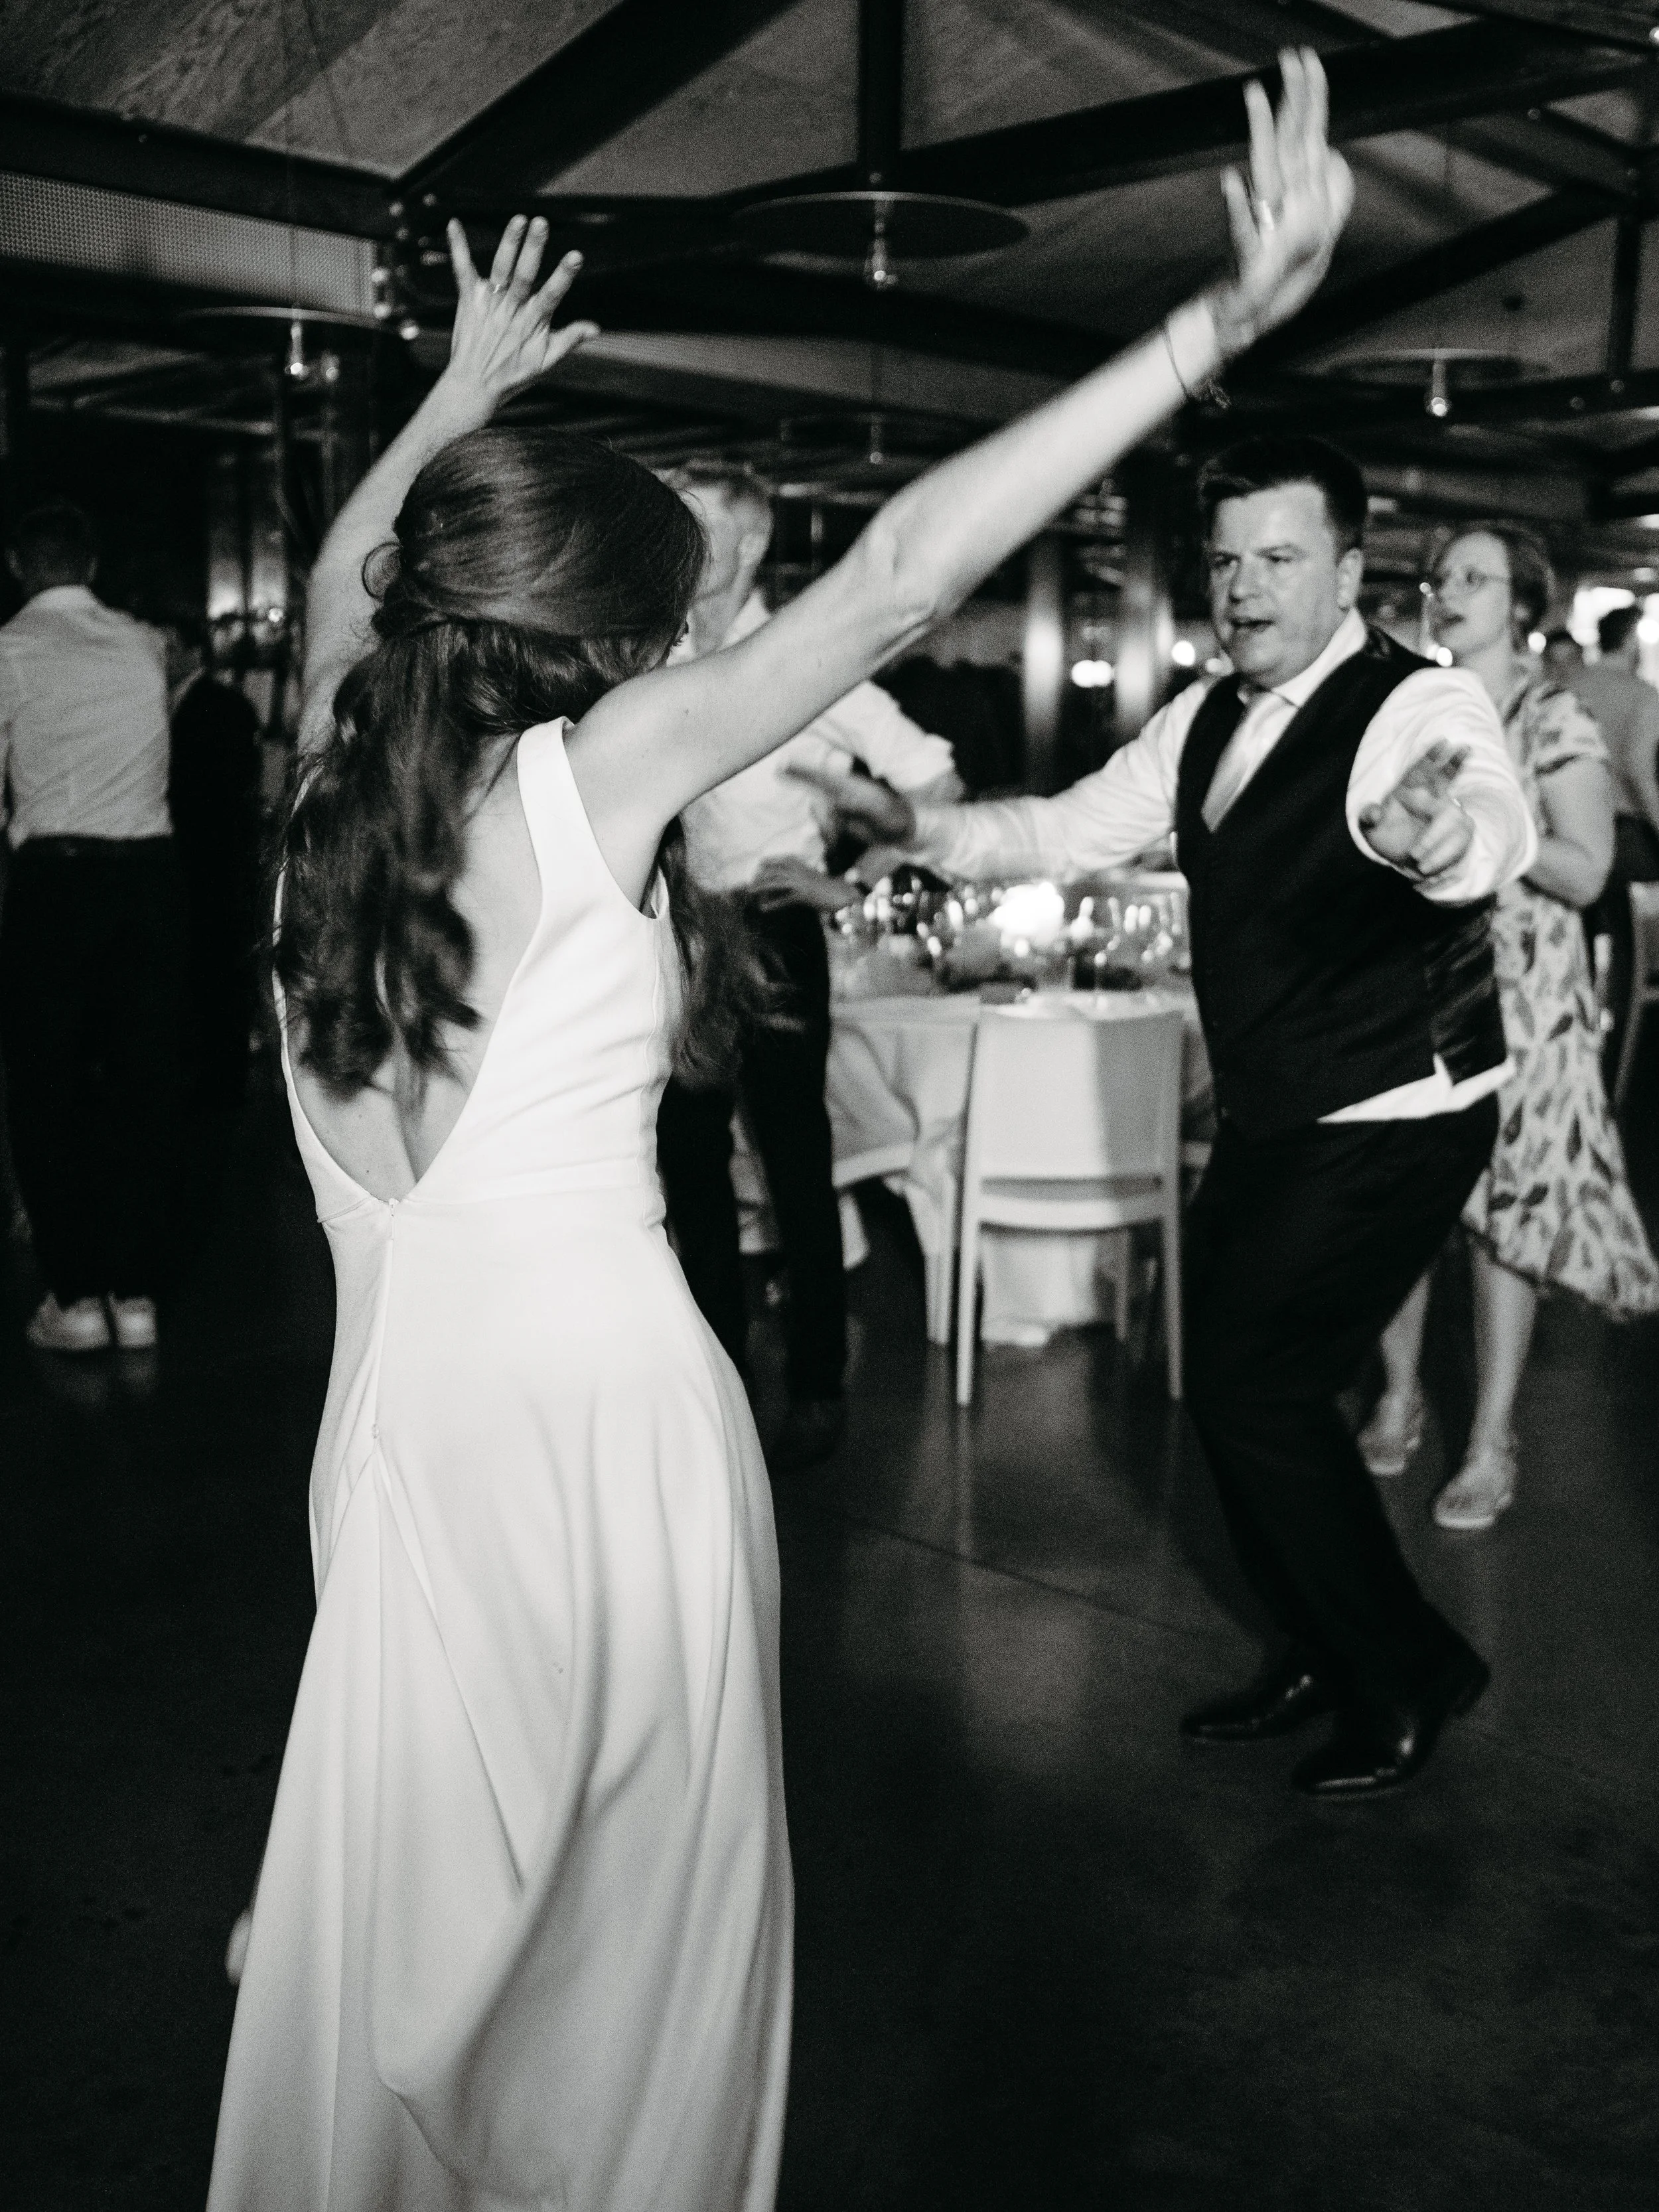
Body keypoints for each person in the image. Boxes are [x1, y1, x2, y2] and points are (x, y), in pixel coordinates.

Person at [208, 50, 1356, 2204]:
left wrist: (454, 406)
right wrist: (1210, 326)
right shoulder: (591, 786)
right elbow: (904, 575)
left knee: (415, 1955)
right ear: (603, 652)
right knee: (627, 1977)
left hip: (393, 1456)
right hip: (601, 1455)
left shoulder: (313, 826)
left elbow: (355, 571)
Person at [802, 433, 1539, 1801]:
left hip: (1396, 1105)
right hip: (1278, 1105)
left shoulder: (1413, 706)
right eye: (1224, 559)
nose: (1243, 588)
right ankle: (1321, 1644)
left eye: (1278, 559)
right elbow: (1059, 833)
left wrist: (1432, 840)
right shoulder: (1198, 719)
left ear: (1348, 570)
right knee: (1230, 1379)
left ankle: (1405, 1668)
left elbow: (1480, 818)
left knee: (1256, 1381)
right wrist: (921, 830)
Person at [656, 459, 962, 1470]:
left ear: (748, 545)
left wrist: (848, 882)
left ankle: (820, 1383)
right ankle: (717, 1381)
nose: (675, 534)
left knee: (794, 1160)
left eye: (695, 521)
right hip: (683, 933)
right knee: (686, 1161)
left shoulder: (806, 658)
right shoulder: (649, 650)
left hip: (776, 930)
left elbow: (931, 774)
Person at [1359, 528, 1659, 1530]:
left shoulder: (1554, 714)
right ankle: (1398, 1394)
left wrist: (1495, 822)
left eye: (1474, 579)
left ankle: (1490, 1440)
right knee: (1401, 1204)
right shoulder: (1416, 712)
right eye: (1441, 576)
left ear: (1522, 604)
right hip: (1413, 983)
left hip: (1524, 996)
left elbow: (1585, 870)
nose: (1447, 592)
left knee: (1508, 1219)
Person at [0, 501, 182, 1353]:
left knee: (48, 1089)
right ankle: (137, 1291)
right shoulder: (146, 646)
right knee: (142, 1085)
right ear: (93, 563)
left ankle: (75, 1298)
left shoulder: (9, 652)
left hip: (56, 882)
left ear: (16, 566)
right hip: (149, 879)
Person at [165, 619, 263, 1110]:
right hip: (195, 865)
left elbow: (224, 796)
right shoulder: (165, 705)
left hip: (216, 863)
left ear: (190, 650)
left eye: (166, 643)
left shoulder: (221, 707)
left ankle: (221, 1086)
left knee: (219, 971)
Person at [1568, 603, 1659, 1063]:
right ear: (1629, 641)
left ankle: (1577, 1037)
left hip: (1565, 834)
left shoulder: (1566, 686)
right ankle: (1624, 1048)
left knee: (1576, 947)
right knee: (1631, 955)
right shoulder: (1644, 696)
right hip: (1621, 841)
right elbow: (1640, 772)